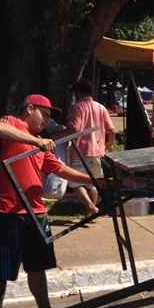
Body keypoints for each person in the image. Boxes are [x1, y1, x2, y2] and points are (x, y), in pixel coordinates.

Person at [0, 94, 99, 308]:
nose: (46, 121)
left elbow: (60, 169)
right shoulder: (13, 125)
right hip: (8, 212)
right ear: (29, 109)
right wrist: (35, 142)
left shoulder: (39, 141)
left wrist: (96, 180)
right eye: (44, 115)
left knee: (37, 267)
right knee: (3, 269)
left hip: (36, 212)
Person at [66, 79, 115, 216]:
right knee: (93, 182)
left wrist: (58, 135)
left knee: (76, 182)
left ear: (79, 92)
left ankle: (90, 207)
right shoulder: (101, 107)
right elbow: (111, 130)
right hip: (97, 152)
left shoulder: (77, 107)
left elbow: (74, 129)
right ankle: (90, 213)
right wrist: (107, 146)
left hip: (80, 151)